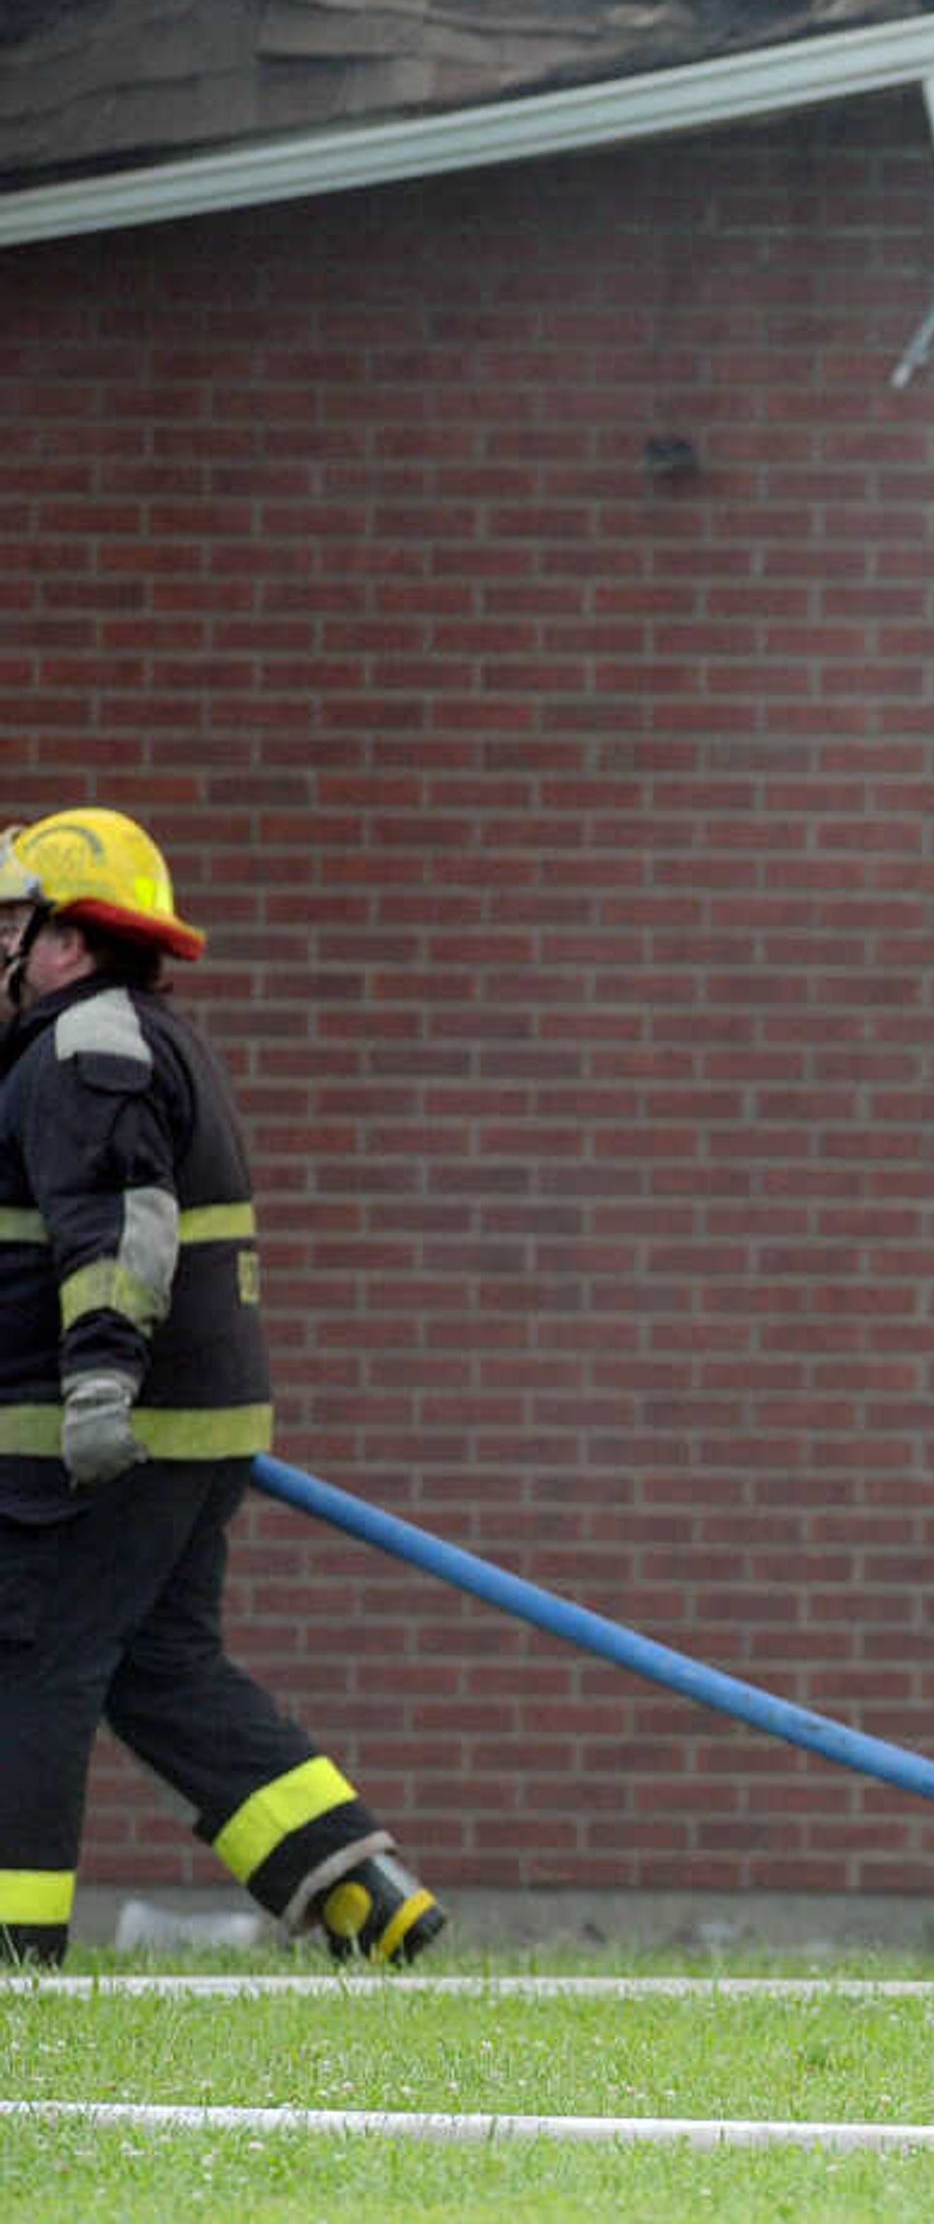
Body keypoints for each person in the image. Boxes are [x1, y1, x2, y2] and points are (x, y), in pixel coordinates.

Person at [0, 807, 444, 1969]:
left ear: (69, 939)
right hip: (188, 1432)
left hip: (102, 1437)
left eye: (12, 921)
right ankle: (360, 1889)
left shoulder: (84, 1047)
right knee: (157, 1666)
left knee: (33, 1661)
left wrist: (97, 1386)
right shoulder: (139, 1033)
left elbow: (120, 1227)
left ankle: (15, 1946)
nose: (1, 943)